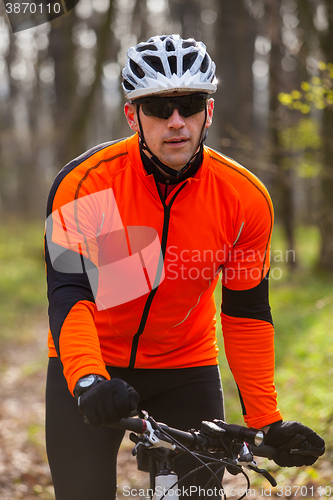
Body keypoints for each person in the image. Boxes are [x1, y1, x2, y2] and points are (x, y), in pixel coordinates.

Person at [44, 35, 324, 500]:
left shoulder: (243, 197)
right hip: (93, 363)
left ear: (208, 113)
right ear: (133, 115)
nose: (176, 122)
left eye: (190, 105)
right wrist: (89, 379)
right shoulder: (87, 182)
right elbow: (70, 293)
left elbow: (247, 312)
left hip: (186, 367)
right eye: (158, 108)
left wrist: (265, 421)